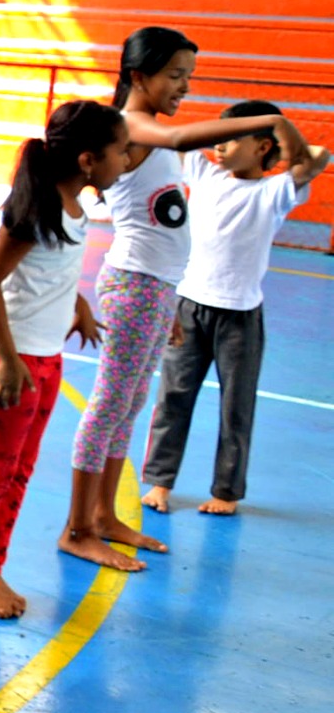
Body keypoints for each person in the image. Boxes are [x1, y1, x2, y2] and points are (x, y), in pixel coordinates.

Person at [62, 27, 305, 566]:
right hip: (133, 283)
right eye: (175, 76)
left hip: (158, 289)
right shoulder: (133, 126)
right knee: (107, 407)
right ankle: (78, 526)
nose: (184, 87)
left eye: (188, 77)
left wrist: (171, 298)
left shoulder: (152, 131)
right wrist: (270, 119)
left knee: (128, 407)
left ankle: (103, 515)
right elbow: (178, 139)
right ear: (138, 76)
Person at [0, 101, 130, 619]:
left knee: (19, 470)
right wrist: (8, 360)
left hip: (44, 356)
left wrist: (77, 307)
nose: (126, 159)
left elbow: (54, 269)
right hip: (8, 359)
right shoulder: (36, 208)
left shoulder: (78, 207)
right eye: (121, 151)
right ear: (89, 160)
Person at [141, 102, 329, 516]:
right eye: (218, 138)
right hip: (189, 307)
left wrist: (276, 123)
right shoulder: (204, 174)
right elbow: (183, 141)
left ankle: (226, 490)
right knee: (173, 397)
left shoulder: (275, 191)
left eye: (231, 139)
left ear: (264, 146)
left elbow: (318, 156)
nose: (219, 147)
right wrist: (239, 130)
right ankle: (159, 482)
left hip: (240, 316)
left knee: (236, 406)